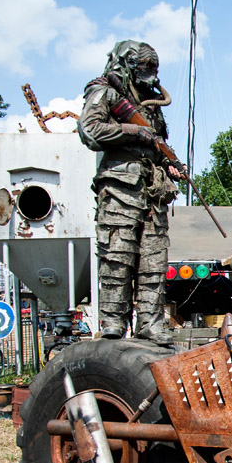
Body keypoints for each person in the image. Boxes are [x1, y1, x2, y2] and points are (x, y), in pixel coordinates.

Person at [78, 40, 182, 345]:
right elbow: (90, 130)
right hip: (120, 189)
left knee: (153, 260)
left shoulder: (150, 104)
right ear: (127, 64)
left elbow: (157, 146)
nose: (150, 72)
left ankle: (150, 323)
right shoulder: (105, 92)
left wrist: (170, 165)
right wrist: (132, 131)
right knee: (117, 256)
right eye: (144, 65)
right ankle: (112, 322)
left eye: (154, 67)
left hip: (151, 192)